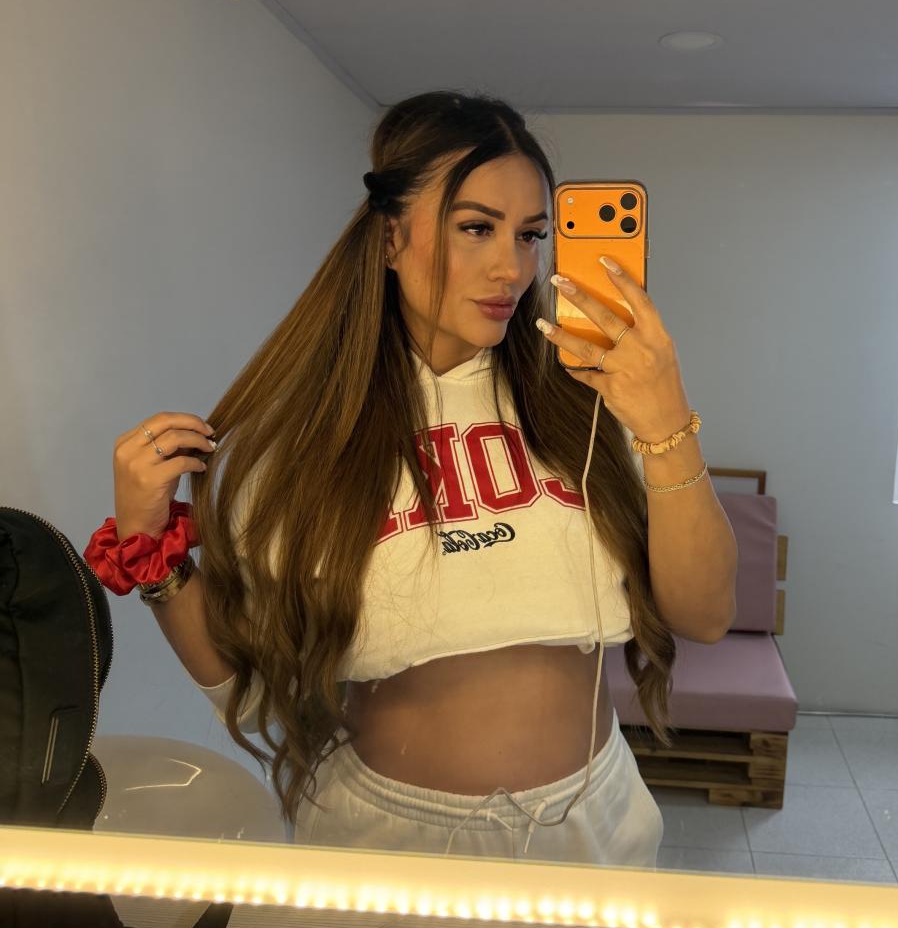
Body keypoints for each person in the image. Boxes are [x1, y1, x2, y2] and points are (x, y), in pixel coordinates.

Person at [87, 92, 721, 867]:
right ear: (391, 237)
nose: (513, 268)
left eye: (530, 235)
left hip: (595, 824)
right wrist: (148, 544)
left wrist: (666, 421)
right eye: (476, 227)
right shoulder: (304, 439)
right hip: (387, 837)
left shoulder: (587, 404)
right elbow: (247, 690)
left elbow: (704, 614)